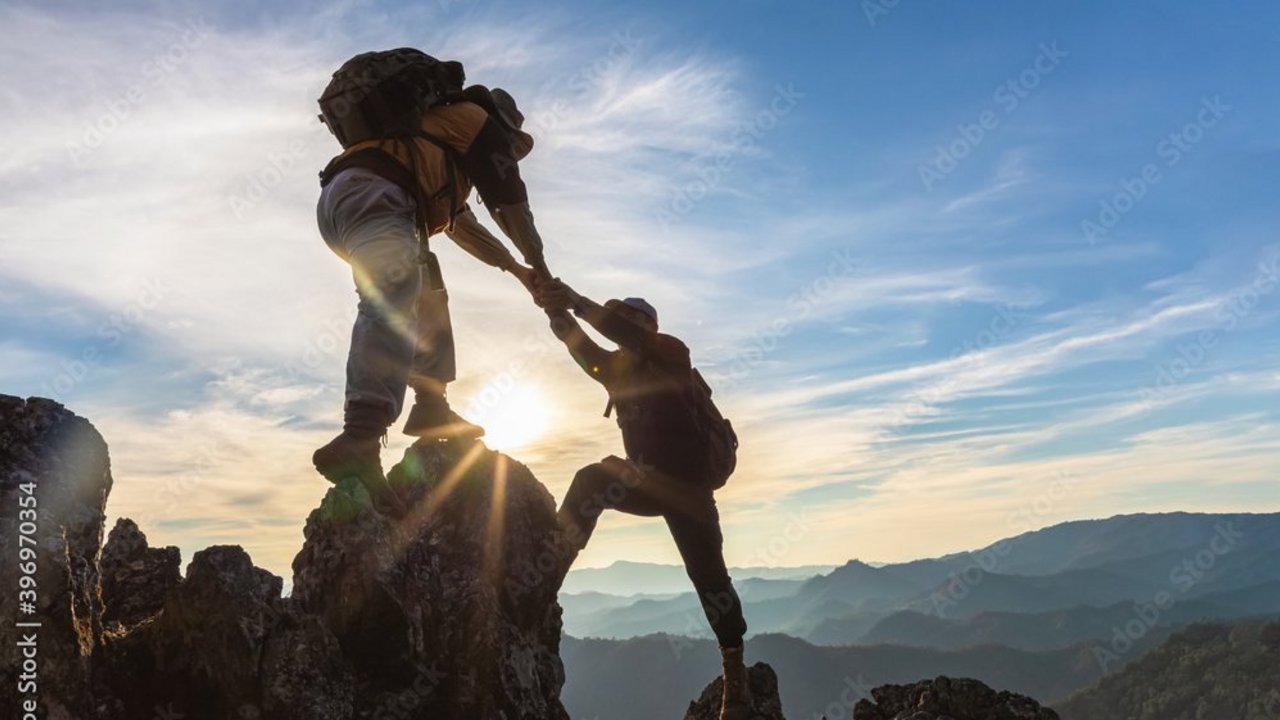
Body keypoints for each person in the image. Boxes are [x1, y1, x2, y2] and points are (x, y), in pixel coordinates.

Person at [312, 49, 548, 510]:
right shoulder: (476, 123)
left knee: (428, 289)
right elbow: (510, 205)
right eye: (514, 147)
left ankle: (431, 406)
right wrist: (542, 268)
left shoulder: (435, 144)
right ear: (506, 127)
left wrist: (519, 273)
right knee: (393, 297)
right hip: (374, 195)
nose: (512, 154)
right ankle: (360, 435)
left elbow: (464, 228)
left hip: (355, 201)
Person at [538, 280, 751, 719]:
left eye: (628, 320)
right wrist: (556, 314)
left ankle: (736, 676)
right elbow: (586, 353)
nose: (620, 328)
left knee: (711, 581)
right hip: (645, 481)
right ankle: (549, 566)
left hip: (689, 490)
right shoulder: (619, 369)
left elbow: (622, 333)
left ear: (647, 327)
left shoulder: (672, 353)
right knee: (590, 480)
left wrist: (576, 302)